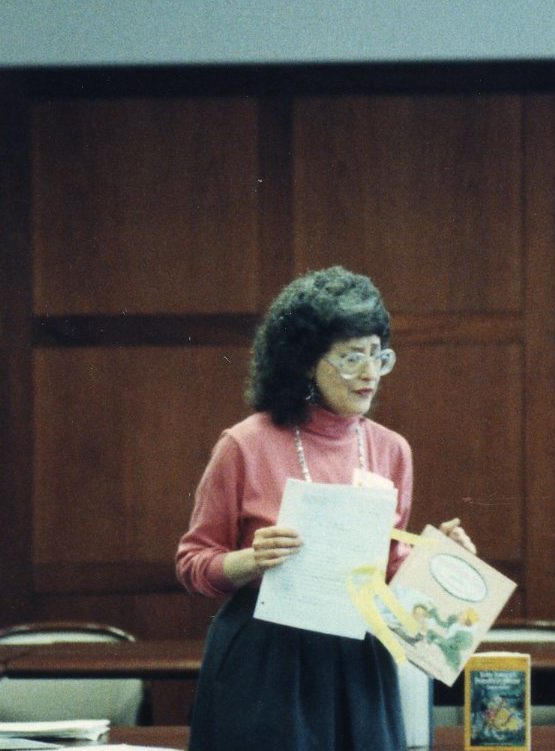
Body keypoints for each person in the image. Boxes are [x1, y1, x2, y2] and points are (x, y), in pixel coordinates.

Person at [175, 266, 475, 751]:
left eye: (378, 355)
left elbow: (390, 573)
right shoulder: (244, 444)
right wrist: (251, 559)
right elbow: (193, 563)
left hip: (359, 661)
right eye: (352, 357)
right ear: (304, 363)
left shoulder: (392, 449)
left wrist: (438, 563)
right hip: (266, 663)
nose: (370, 373)